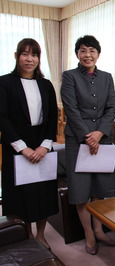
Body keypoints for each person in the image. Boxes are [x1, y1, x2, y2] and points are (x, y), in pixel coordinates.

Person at [61, 35, 115, 255]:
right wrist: (88, 136)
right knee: (81, 191)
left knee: (99, 189)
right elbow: (71, 109)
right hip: (78, 141)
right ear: (77, 54)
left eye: (92, 50)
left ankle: (99, 229)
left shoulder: (107, 77)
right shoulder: (69, 77)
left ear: (98, 54)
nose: (87, 55)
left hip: (102, 139)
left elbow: (111, 107)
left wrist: (100, 132)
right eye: (83, 50)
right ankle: (89, 235)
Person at [0, 38, 58, 249]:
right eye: (25, 54)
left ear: (38, 59)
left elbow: (53, 116)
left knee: (42, 193)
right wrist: (22, 147)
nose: (29, 59)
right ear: (17, 56)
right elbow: (2, 118)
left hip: (41, 145)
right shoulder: (4, 82)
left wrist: (45, 145)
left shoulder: (45, 84)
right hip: (15, 146)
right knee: (19, 195)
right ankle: (25, 235)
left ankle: (41, 235)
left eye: (34, 55)